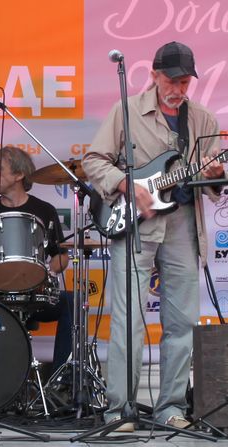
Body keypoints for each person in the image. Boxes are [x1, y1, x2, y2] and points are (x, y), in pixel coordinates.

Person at [82, 41, 226, 431]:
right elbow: (93, 160)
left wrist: (216, 177)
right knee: (127, 320)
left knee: (182, 321)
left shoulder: (202, 119)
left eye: (185, 82)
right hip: (137, 225)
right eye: (172, 80)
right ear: (155, 75)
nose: (178, 89)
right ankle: (120, 410)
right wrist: (126, 184)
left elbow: (213, 182)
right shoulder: (126, 111)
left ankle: (171, 408)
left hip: (182, 224)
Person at [0, 145, 72, 370]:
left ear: (19, 174)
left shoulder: (45, 210)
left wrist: (47, 273)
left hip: (34, 295)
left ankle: (61, 376)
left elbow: (61, 256)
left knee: (72, 302)